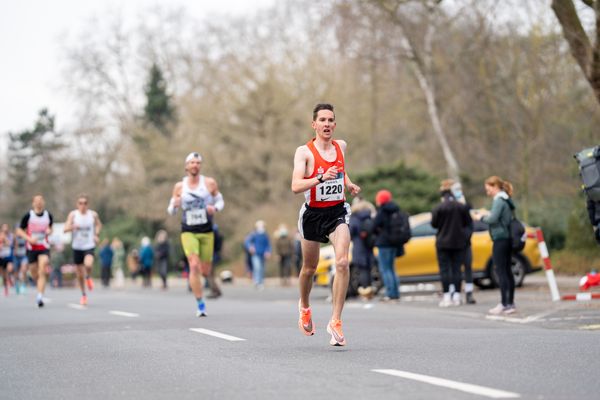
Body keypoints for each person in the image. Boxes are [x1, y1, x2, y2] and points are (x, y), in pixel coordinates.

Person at [291, 103, 361, 346]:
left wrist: (348, 183)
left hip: (336, 212)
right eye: (322, 120)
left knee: (342, 262)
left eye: (331, 120)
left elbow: (339, 170)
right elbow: (295, 186)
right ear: (314, 124)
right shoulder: (304, 152)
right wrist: (320, 177)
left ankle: (336, 321)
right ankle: (305, 306)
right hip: (312, 215)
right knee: (309, 268)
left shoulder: (341, 146)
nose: (327, 124)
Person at [166, 152, 225, 317]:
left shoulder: (209, 183)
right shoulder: (179, 187)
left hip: (206, 231)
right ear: (186, 166)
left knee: (205, 270)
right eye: (192, 162)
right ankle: (200, 304)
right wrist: (175, 205)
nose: (195, 165)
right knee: (193, 265)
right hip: (188, 231)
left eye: (198, 163)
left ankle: (206, 279)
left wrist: (215, 208)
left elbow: (220, 200)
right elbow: (171, 210)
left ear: (200, 166)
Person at [474, 176, 517, 315]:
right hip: (507, 239)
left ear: (495, 187)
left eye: (488, 189)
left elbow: (492, 219)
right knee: (507, 272)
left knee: (501, 272)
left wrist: (480, 217)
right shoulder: (505, 199)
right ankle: (510, 303)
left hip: (500, 239)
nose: (488, 192)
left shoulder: (498, 200)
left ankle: (504, 303)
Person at [431, 180, 473, 307]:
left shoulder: (438, 208)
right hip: (459, 243)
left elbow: (434, 224)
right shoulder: (462, 207)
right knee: (456, 270)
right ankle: (457, 296)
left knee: (445, 270)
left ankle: (447, 296)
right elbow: (468, 223)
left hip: (443, 242)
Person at [63, 194, 102, 304]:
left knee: (88, 264)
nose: (83, 205)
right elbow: (65, 229)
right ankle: (83, 295)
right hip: (77, 247)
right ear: (77, 204)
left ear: (88, 205)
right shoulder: (73, 215)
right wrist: (72, 227)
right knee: (79, 274)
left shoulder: (93, 215)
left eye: (85, 203)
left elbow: (99, 225)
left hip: (89, 245)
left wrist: (96, 234)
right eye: (80, 203)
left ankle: (88, 277)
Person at [16, 195, 53, 307]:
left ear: (44, 202)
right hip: (31, 248)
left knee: (43, 268)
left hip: (43, 247)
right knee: (34, 272)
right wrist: (29, 239)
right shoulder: (28, 216)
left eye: (41, 200)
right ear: (33, 203)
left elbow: (51, 228)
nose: (39, 203)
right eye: (36, 201)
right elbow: (19, 230)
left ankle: (40, 296)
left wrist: (49, 231)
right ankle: (39, 284)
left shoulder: (48, 215)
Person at [373, 190, 404, 302]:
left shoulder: (382, 211)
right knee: (391, 268)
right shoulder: (396, 209)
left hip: (384, 244)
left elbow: (374, 225)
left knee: (385, 269)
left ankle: (390, 293)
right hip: (394, 243)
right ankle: (396, 293)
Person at [451, 182, 476, 304]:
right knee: (455, 269)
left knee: (468, 268)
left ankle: (469, 293)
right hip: (454, 243)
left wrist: (466, 236)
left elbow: (470, 224)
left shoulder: (466, 205)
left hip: (465, 243)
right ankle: (455, 293)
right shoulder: (450, 205)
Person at [349, 197, 376, 299]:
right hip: (369, 245)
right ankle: (370, 291)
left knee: (362, 269)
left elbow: (351, 230)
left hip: (359, 246)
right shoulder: (369, 215)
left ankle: (365, 291)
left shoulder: (355, 216)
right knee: (368, 269)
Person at [244, 220, 272, 290]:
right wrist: (250, 247)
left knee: (262, 268)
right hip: (255, 254)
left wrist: (268, 252)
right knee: (257, 267)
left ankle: (261, 282)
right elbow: (247, 241)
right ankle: (257, 281)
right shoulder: (254, 234)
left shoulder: (265, 235)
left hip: (263, 254)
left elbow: (268, 245)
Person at [13, 228, 29, 294]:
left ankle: (23, 285)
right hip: (16, 257)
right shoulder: (14, 238)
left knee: (23, 270)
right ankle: (17, 283)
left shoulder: (25, 237)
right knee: (16, 272)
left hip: (24, 256)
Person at [0, 228, 12, 296]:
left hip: (7, 257)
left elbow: (9, 244)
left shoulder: (8, 237)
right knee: (3, 274)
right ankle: (6, 287)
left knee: (9, 269)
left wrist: (4, 240)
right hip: (1, 257)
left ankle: (9, 278)